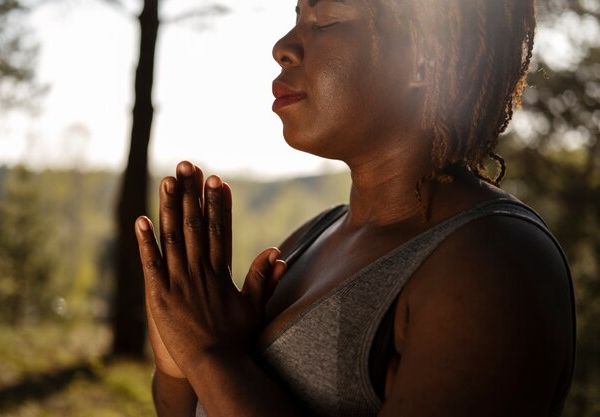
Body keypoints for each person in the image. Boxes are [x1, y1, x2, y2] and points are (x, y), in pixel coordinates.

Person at [134, 0, 576, 416]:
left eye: (325, 21)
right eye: (297, 14)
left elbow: (215, 366)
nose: (282, 47)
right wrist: (180, 355)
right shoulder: (316, 236)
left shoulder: (494, 264)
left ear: (425, 58)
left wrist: (212, 357)